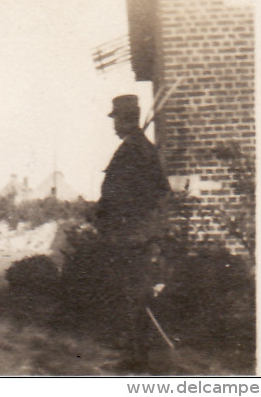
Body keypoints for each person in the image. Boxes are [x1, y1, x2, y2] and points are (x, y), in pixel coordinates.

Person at [94, 95, 171, 373]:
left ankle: (139, 360)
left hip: (132, 236)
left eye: (115, 118)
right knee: (131, 296)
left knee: (135, 297)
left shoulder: (137, 150)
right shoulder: (137, 147)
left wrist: (128, 219)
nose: (113, 124)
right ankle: (135, 354)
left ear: (127, 119)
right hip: (129, 234)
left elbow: (155, 192)